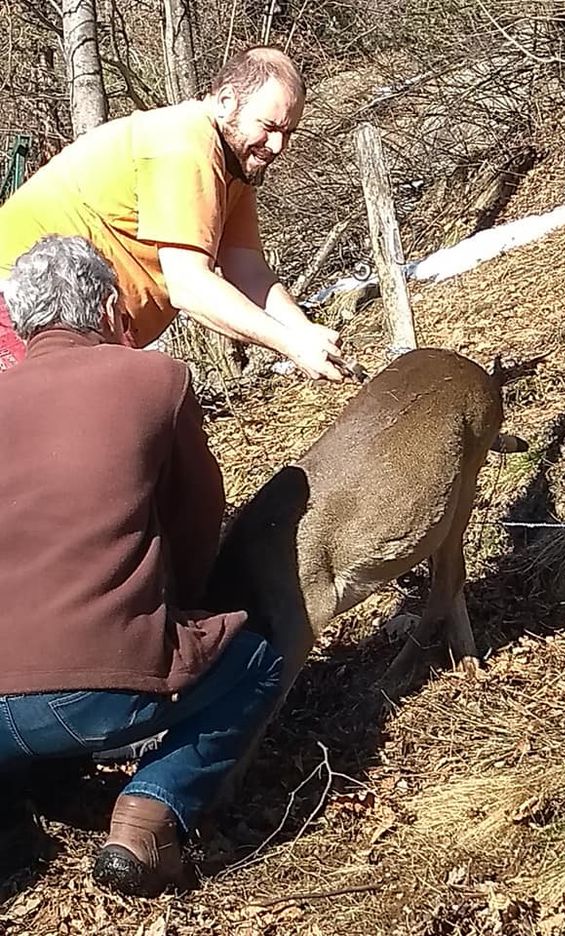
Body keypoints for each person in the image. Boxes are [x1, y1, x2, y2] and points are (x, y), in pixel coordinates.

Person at [0, 235, 283, 896]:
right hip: (101, 692)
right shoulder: (156, 379)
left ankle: (17, 812)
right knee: (259, 661)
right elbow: (196, 518)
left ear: (21, 321)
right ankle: (149, 815)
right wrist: (184, 607)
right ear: (107, 311)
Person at [0, 46, 343, 381]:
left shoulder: (236, 167)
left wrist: (303, 331)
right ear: (226, 102)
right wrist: (290, 344)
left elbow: (247, 267)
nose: (278, 145)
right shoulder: (184, 143)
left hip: (87, 321)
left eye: (288, 132)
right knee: (52, 416)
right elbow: (189, 286)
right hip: (23, 301)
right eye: (269, 126)